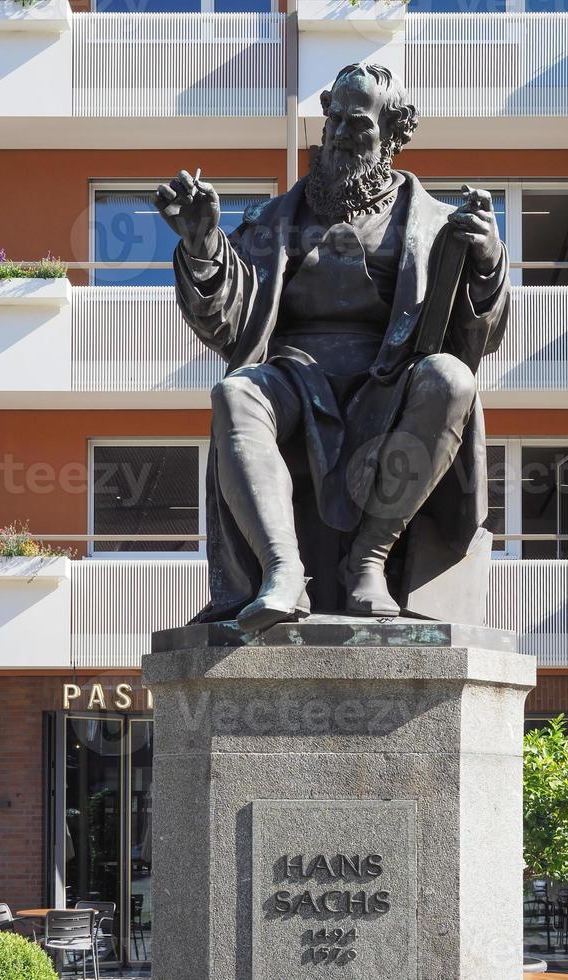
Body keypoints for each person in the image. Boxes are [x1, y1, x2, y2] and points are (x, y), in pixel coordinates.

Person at [156, 63, 509, 632]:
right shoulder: (273, 221)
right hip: (295, 377)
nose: (341, 133)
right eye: (334, 119)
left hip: (392, 378)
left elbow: (479, 339)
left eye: (359, 123)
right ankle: (282, 570)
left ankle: (368, 559)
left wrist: (489, 263)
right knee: (235, 391)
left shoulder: (440, 224)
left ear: (391, 135)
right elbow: (229, 325)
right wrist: (202, 249)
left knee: (452, 380)